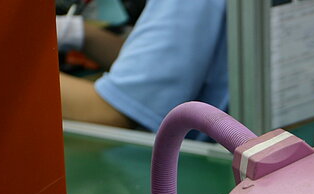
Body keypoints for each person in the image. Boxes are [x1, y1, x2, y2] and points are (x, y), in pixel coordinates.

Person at [59, 0, 228, 137]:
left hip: (195, 165)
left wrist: (35, 67)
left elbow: (114, 113)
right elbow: (149, 66)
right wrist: (77, 32)